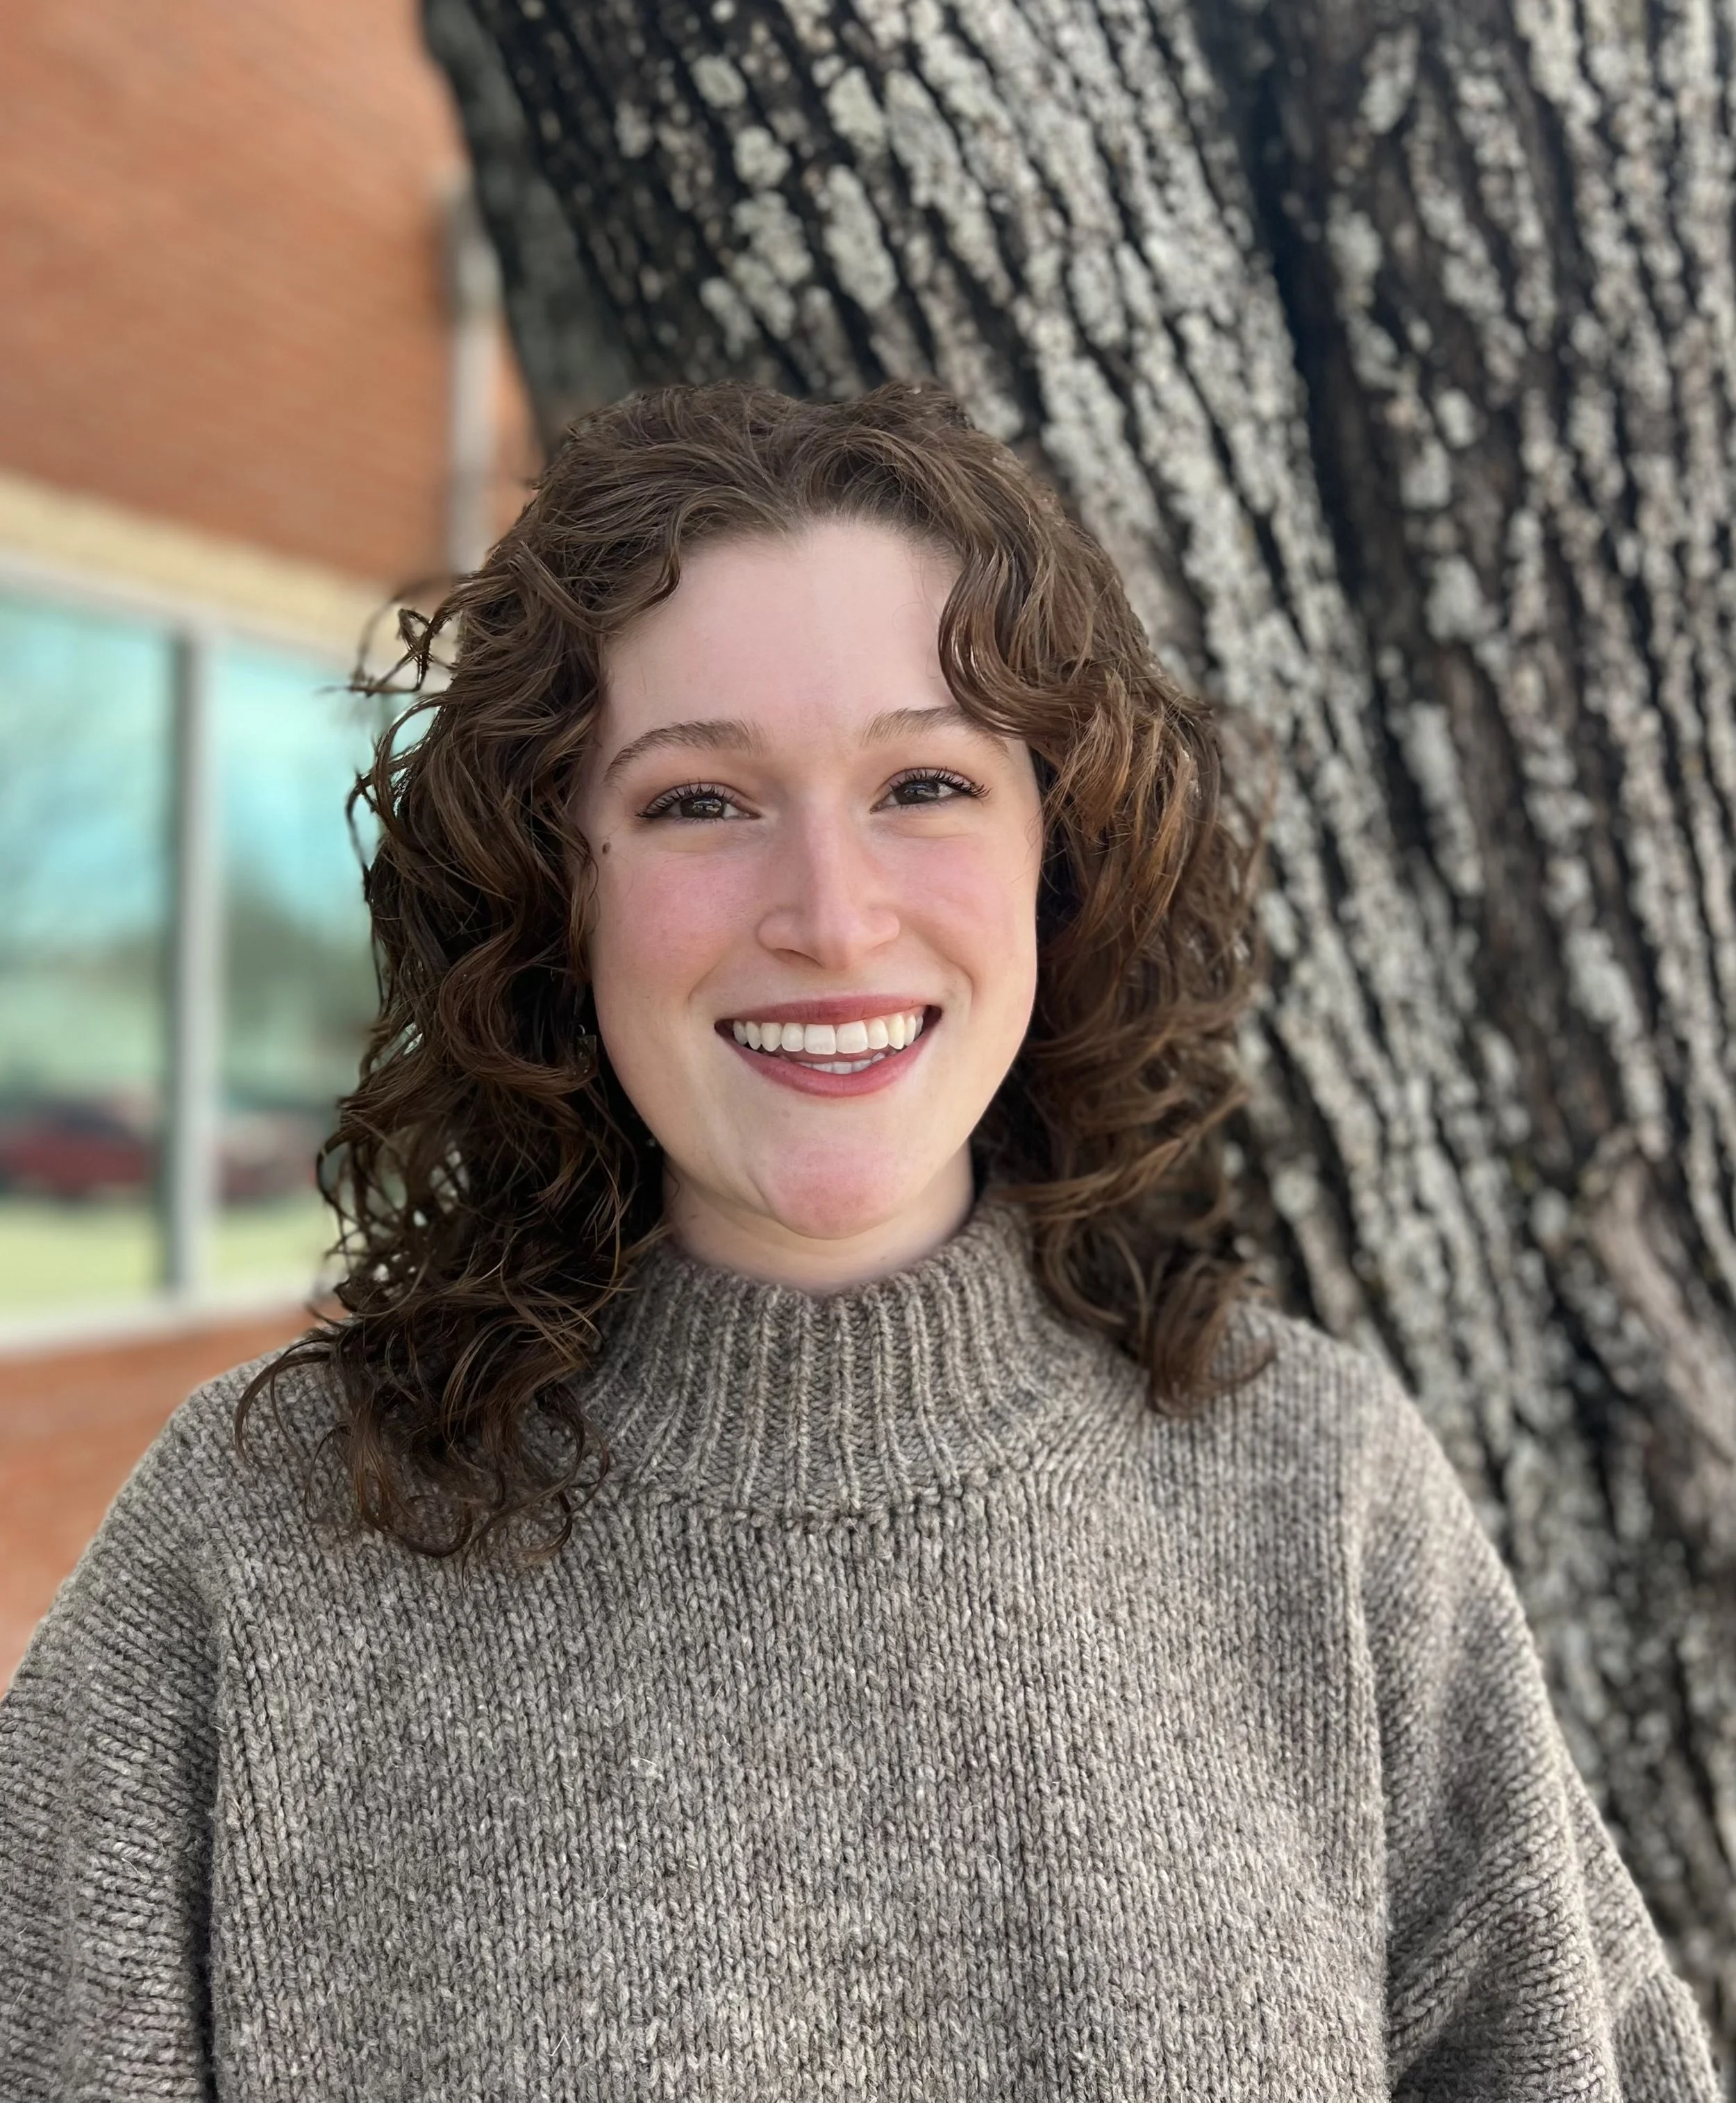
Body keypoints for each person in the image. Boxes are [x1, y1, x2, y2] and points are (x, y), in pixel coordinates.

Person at [0, 380, 1719, 2101]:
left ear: (1056, 854)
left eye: (924, 781)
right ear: (554, 887)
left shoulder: (1319, 1496)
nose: (830, 916)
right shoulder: (255, 1550)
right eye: (697, 800)